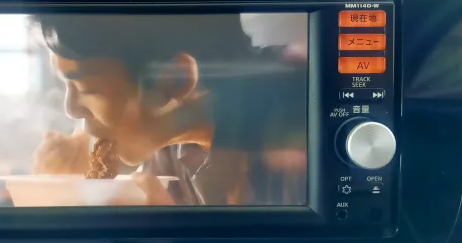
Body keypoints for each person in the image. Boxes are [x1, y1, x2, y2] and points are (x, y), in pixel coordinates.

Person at [31, 13, 307, 205]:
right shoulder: (168, 151)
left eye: (88, 89)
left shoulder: (300, 129)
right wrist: (73, 189)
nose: (72, 110)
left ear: (175, 79)